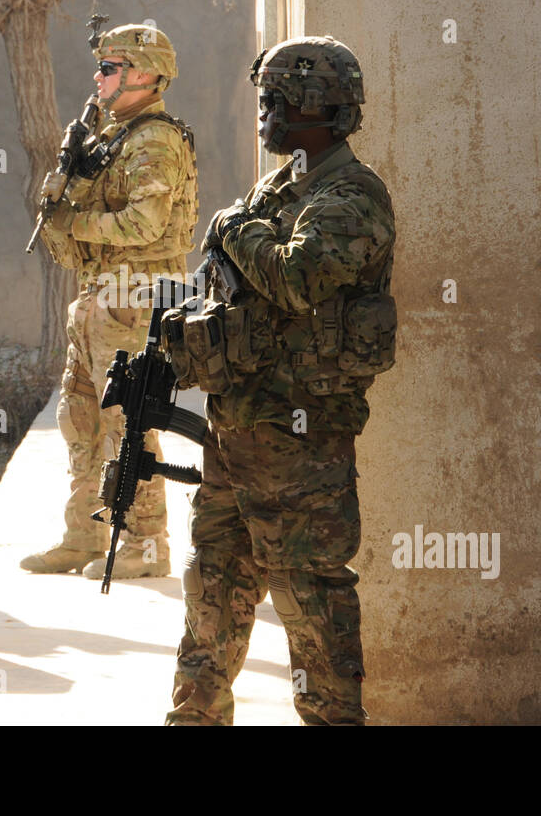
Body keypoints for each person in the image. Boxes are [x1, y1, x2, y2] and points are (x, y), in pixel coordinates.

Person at [163, 35, 396, 725]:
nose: (263, 111)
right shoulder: (281, 185)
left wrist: (234, 227)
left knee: (310, 600)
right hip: (235, 430)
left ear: (319, 108)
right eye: (263, 97)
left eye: (276, 100)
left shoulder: (352, 196)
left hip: (301, 444)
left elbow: (296, 279)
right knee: (214, 586)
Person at [24, 23, 199, 581]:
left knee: (128, 420)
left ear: (145, 75)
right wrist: (58, 202)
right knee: (80, 418)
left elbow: (144, 224)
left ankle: (147, 546)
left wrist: (75, 220)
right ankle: (84, 535)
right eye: (100, 67)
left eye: (110, 67)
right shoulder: (109, 136)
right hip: (100, 295)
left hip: (136, 298)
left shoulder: (154, 140)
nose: (98, 78)